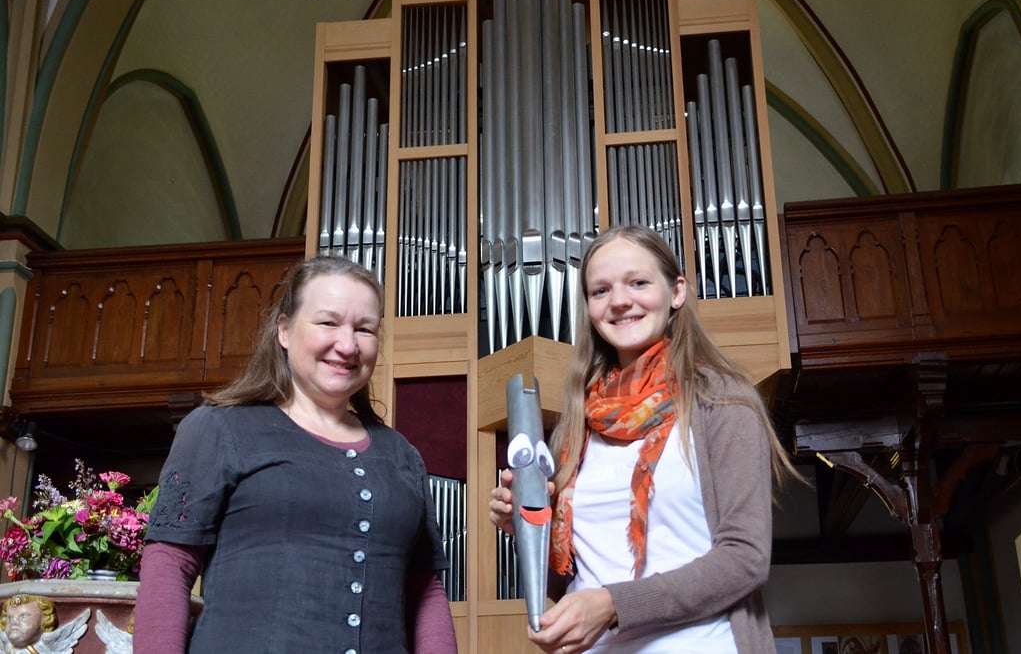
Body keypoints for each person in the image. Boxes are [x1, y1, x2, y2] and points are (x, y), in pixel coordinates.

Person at [490, 225, 801, 653]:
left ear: (676, 292)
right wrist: (527, 531)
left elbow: (744, 559)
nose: (619, 301)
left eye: (638, 282)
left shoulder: (721, 400)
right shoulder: (580, 420)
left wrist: (614, 605)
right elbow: (579, 577)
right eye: (600, 290)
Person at [133, 256, 456, 653]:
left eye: (365, 329)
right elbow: (169, 565)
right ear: (284, 330)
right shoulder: (219, 427)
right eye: (328, 322)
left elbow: (425, 590)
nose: (348, 344)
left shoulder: (402, 454)